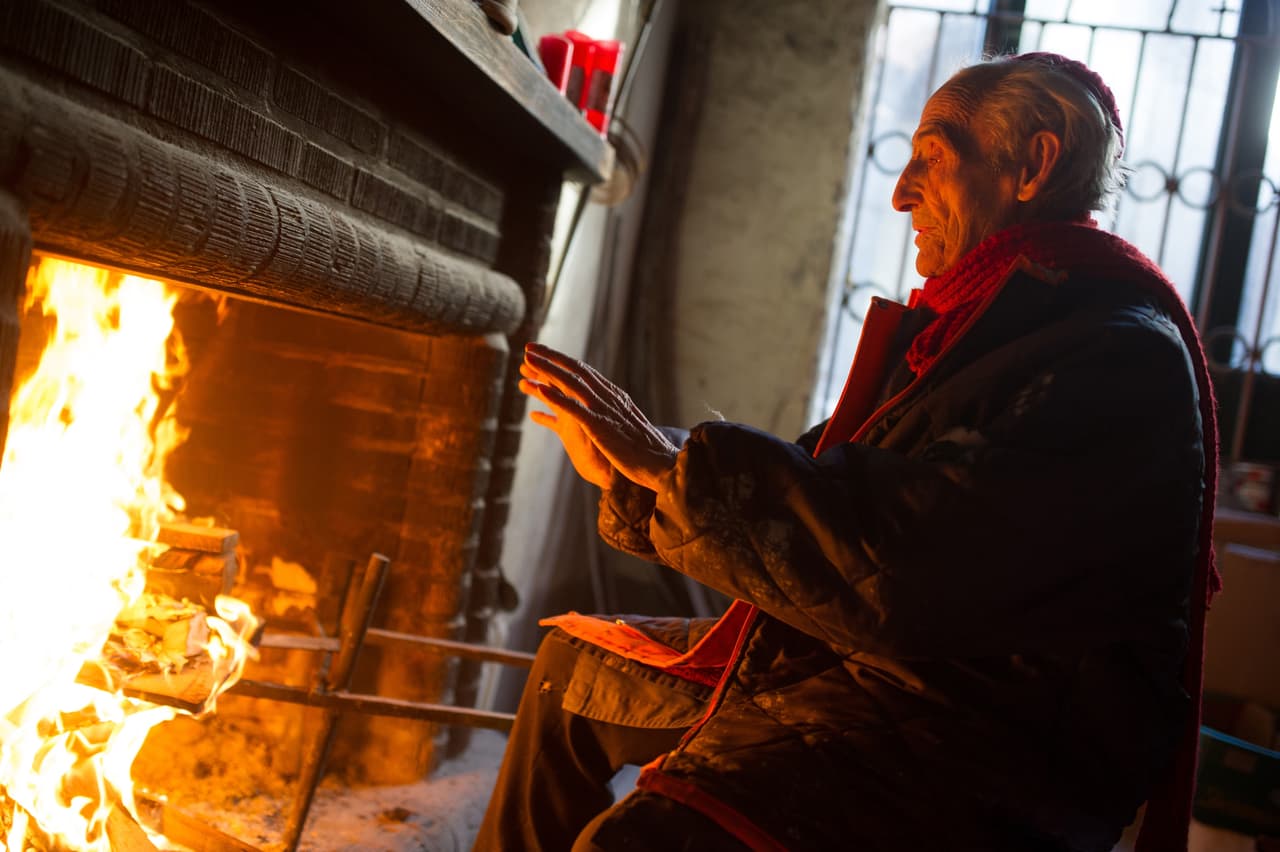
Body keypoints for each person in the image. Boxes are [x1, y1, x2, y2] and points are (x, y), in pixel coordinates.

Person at [475, 52, 1220, 852]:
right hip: (875, 668)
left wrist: (672, 468)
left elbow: (912, 566)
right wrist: (646, 472)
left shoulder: (1115, 355)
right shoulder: (991, 320)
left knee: (646, 838)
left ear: (1031, 165)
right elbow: (836, 477)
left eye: (932, 155)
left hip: (979, 738)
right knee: (568, 673)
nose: (900, 193)